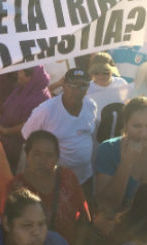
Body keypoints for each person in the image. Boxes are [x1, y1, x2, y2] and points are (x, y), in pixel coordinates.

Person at [6, 130, 90, 245]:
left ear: (57, 158)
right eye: (37, 154)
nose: (43, 160)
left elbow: (84, 220)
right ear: (27, 155)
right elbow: (9, 229)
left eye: (49, 155)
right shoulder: (16, 186)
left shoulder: (68, 178)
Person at [22, 68, 97, 196]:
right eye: (73, 85)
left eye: (83, 85)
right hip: (55, 180)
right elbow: (27, 135)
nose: (77, 90)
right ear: (64, 85)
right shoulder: (46, 110)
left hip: (85, 177)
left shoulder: (91, 105)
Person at [0, 66, 51, 173]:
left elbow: (29, 125)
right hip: (8, 141)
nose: (17, 75)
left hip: (21, 147)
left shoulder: (41, 98)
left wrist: (5, 131)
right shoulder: (22, 88)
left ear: (30, 77)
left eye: (21, 72)